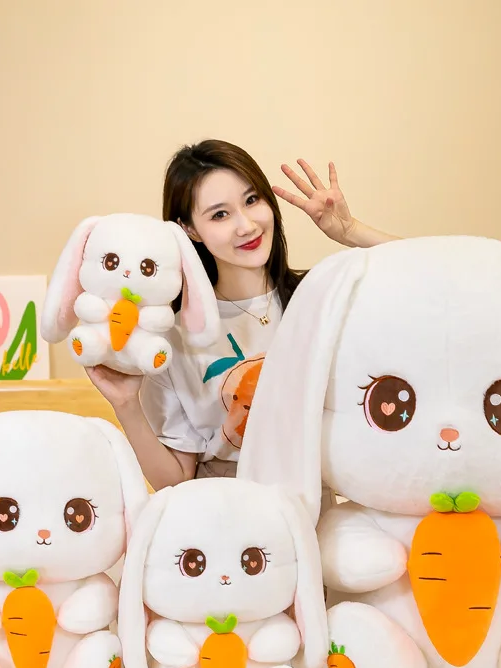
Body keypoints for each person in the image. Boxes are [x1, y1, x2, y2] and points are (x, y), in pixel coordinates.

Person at [86, 139, 399, 495]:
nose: (247, 225)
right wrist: (125, 404)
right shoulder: (173, 338)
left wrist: (350, 231)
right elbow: (174, 481)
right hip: (225, 510)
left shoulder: (320, 296)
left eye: (252, 200)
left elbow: (436, 275)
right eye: (220, 214)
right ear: (189, 230)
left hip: (312, 505)